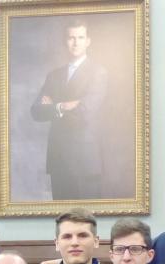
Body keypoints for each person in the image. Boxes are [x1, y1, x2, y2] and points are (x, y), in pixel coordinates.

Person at [30, 20, 108, 200]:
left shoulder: (98, 72)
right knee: (62, 215)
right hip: (58, 160)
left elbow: (85, 112)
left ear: (88, 41)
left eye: (80, 37)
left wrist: (53, 106)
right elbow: (36, 111)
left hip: (85, 162)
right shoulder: (54, 75)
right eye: (71, 38)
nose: (75, 42)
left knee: (87, 216)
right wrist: (63, 106)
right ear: (65, 41)